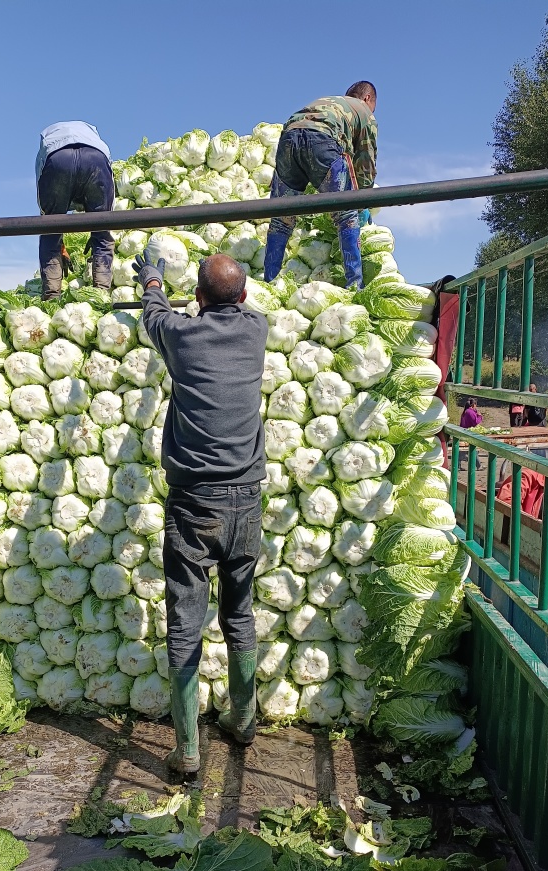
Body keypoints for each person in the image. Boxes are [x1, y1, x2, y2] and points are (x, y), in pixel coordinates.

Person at [134, 249, 268, 777]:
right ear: (243, 298)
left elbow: (154, 314)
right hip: (246, 500)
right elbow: (224, 302)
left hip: (194, 503)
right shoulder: (256, 330)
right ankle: (245, 720)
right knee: (239, 612)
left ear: (198, 299)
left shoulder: (181, 336)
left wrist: (151, 276)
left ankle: (188, 750)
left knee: (186, 623)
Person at [263, 82, 378, 289]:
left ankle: (269, 281)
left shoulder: (327, 103)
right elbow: (366, 159)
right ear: (367, 99)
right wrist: (364, 198)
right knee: (347, 215)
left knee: (281, 219)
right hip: (322, 141)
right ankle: (355, 284)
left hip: (288, 138)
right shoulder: (363, 111)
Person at [35, 121, 115, 297]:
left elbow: (45, 207)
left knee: (50, 229)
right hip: (96, 158)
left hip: (57, 158)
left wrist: (56, 239)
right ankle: (101, 294)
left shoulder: (47, 142)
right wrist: (99, 230)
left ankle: (52, 296)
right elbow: (109, 204)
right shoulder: (95, 139)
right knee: (103, 232)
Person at [459, 398, 483, 469]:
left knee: (462, 450)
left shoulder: (466, 411)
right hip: (469, 432)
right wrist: (479, 416)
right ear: (473, 405)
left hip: (463, 431)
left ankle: (458, 465)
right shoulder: (470, 412)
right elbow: (475, 422)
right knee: (473, 449)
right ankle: (479, 465)